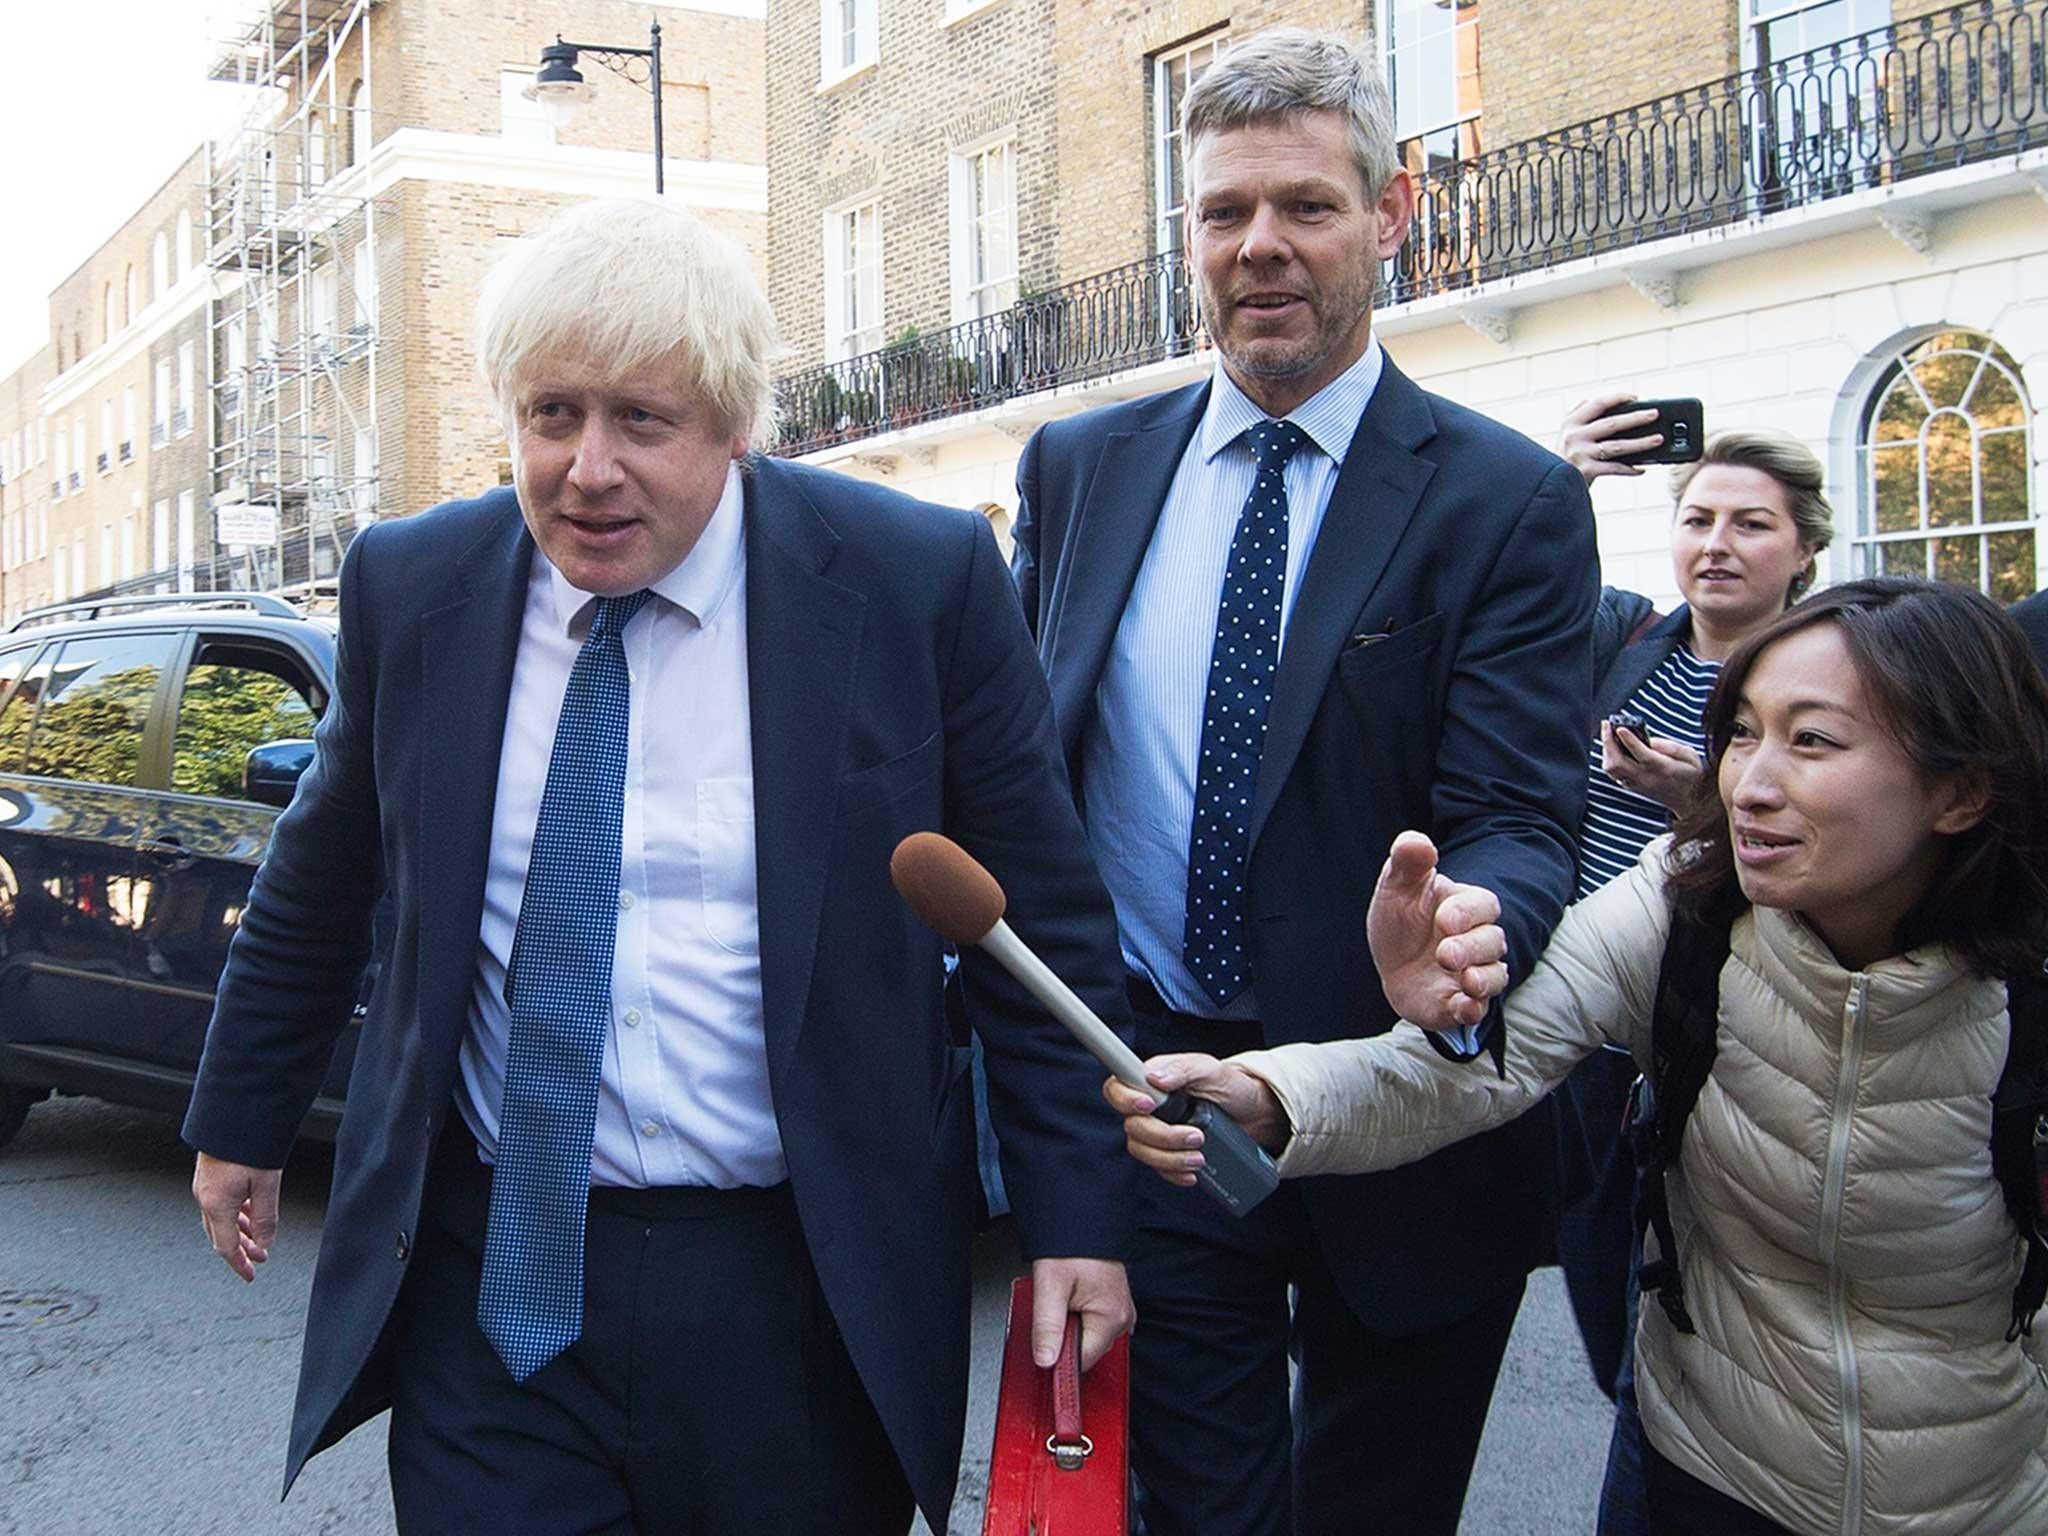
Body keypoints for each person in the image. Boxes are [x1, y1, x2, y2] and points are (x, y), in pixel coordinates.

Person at [181, 198, 1135, 1536]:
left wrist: (1075, 1219)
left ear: (737, 425)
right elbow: (323, 871)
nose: (588, 468)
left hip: (795, 1290)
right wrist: (242, 1120)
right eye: (553, 414)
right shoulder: (418, 584)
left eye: (644, 420)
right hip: (492, 1281)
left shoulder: (910, 583)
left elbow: (1034, 929)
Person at [1115, 576, 2048, 1535]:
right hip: (1702, 1475)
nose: (1750, 784)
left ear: (1961, 790)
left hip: (1982, 1495)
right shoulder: (1681, 907)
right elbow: (1476, 1070)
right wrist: (1269, 1096)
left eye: (1812, 741)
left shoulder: (2025, 985)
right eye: (1741, 732)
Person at [1008, 29, 1597, 1535]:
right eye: (1223, 212)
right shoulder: (1080, 470)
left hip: (1402, 1109)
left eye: (1306, 207)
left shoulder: (1505, 500)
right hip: (1159, 1100)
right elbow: (1020, 772)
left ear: (1392, 212)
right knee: (1191, 1514)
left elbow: (1523, 817)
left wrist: (1470, 932)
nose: (1259, 247)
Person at [1550, 410, 1834, 1533]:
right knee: (1606, 1330)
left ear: (1802, 548)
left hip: (1732, 1052)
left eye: (1749, 525)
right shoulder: (1622, 644)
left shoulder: (1830, 680)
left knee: (1669, 1356)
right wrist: (1560, 479)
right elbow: (1517, 589)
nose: (1716, 543)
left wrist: (1699, 807)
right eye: (1697, 518)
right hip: (1587, 1050)